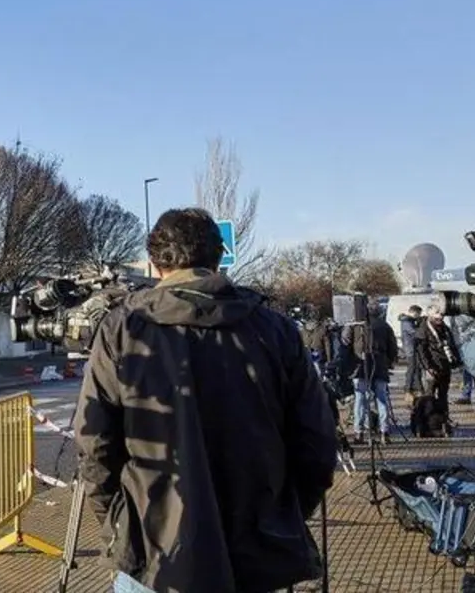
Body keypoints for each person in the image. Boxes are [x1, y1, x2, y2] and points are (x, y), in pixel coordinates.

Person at [74, 208, 337, 593]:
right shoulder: (274, 328)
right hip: (257, 548)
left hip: (155, 552)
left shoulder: (123, 328)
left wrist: (120, 521)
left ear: (155, 262)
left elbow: (94, 444)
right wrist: (284, 515)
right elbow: (316, 443)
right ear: (218, 256)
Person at [342, 302, 399, 444]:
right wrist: (390, 362)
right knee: (381, 399)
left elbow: (345, 344)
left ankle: (358, 433)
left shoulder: (356, 325)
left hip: (360, 366)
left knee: (360, 400)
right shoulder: (384, 326)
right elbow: (393, 346)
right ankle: (384, 432)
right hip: (379, 365)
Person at [416, 306, 460, 416]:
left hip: (445, 366)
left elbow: (452, 345)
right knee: (429, 396)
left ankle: (444, 418)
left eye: (441, 314)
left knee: (443, 395)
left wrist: (456, 360)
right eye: (437, 314)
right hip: (432, 368)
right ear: (430, 315)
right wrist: (428, 367)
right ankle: (428, 420)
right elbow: (421, 351)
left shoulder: (445, 328)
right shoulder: (423, 329)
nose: (440, 316)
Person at [399, 305, 425, 398]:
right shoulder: (406, 322)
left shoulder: (408, 321)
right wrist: (421, 329)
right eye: (418, 314)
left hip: (411, 348)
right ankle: (408, 388)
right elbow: (414, 332)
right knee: (412, 368)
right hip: (410, 349)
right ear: (414, 312)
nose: (418, 316)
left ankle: (417, 388)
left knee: (416, 368)